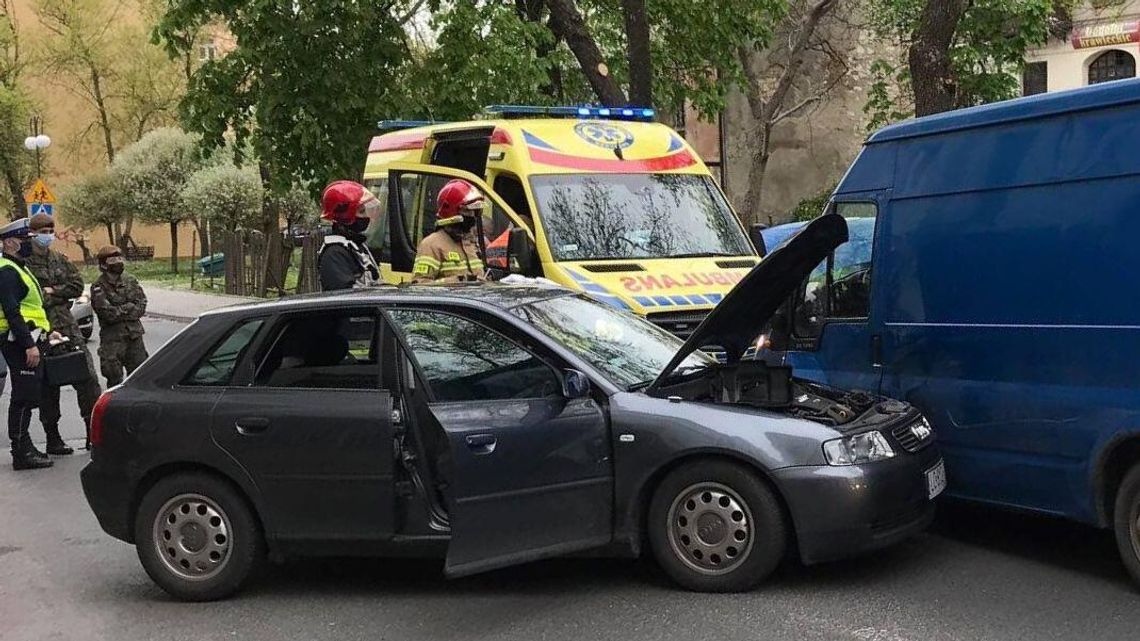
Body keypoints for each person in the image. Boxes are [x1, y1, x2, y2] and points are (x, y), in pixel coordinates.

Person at [26, 213, 102, 454]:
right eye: (43, 231)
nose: (47, 235)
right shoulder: (24, 262)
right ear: (32, 233)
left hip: (69, 326)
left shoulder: (60, 259)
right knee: (49, 384)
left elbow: (77, 285)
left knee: (88, 378)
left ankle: (92, 432)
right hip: (43, 328)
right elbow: (30, 294)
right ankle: (53, 436)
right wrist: (53, 294)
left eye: (50, 230)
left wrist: (53, 291)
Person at [0, 218, 59, 470]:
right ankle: (21, 451)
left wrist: (46, 333)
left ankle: (25, 447)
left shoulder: (17, 266)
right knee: (23, 397)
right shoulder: (7, 270)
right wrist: (28, 345)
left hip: (29, 337)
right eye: (24, 240)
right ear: (10, 242)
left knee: (29, 394)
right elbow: (13, 312)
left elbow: (32, 308)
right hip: (18, 341)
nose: (28, 244)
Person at [90, 246, 148, 387]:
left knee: (140, 377)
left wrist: (123, 310)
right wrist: (128, 307)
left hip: (134, 337)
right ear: (104, 265)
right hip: (113, 340)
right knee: (114, 380)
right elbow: (108, 314)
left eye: (119, 258)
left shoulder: (130, 280)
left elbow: (141, 304)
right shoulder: (98, 286)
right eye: (113, 259)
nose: (118, 262)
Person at [413, 179, 487, 282]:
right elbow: (419, 287)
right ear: (451, 211)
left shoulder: (471, 244)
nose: (472, 216)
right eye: (467, 211)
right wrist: (457, 281)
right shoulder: (431, 245)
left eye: (474, 211)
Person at [317, 180, 382, 291]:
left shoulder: (354, 246)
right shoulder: (335, 253)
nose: (366, 216)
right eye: (361, 212)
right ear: (346, 217)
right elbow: (344, 298)